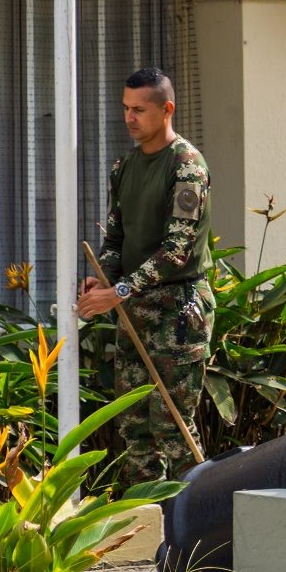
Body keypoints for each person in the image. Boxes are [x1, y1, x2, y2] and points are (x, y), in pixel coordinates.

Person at [77, 67, 213, 488]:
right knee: (134, 428)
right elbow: (117, 237)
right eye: (125, 109)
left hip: (177, 311)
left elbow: (177, 251)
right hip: (134, 310)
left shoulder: (187, 166)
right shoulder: (124, 167)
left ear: (167, 109)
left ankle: (198, 524)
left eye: (139, 109)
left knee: (172, 425)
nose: (129, 118)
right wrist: (103, 277)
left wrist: (116, 291)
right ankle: (147, 527)